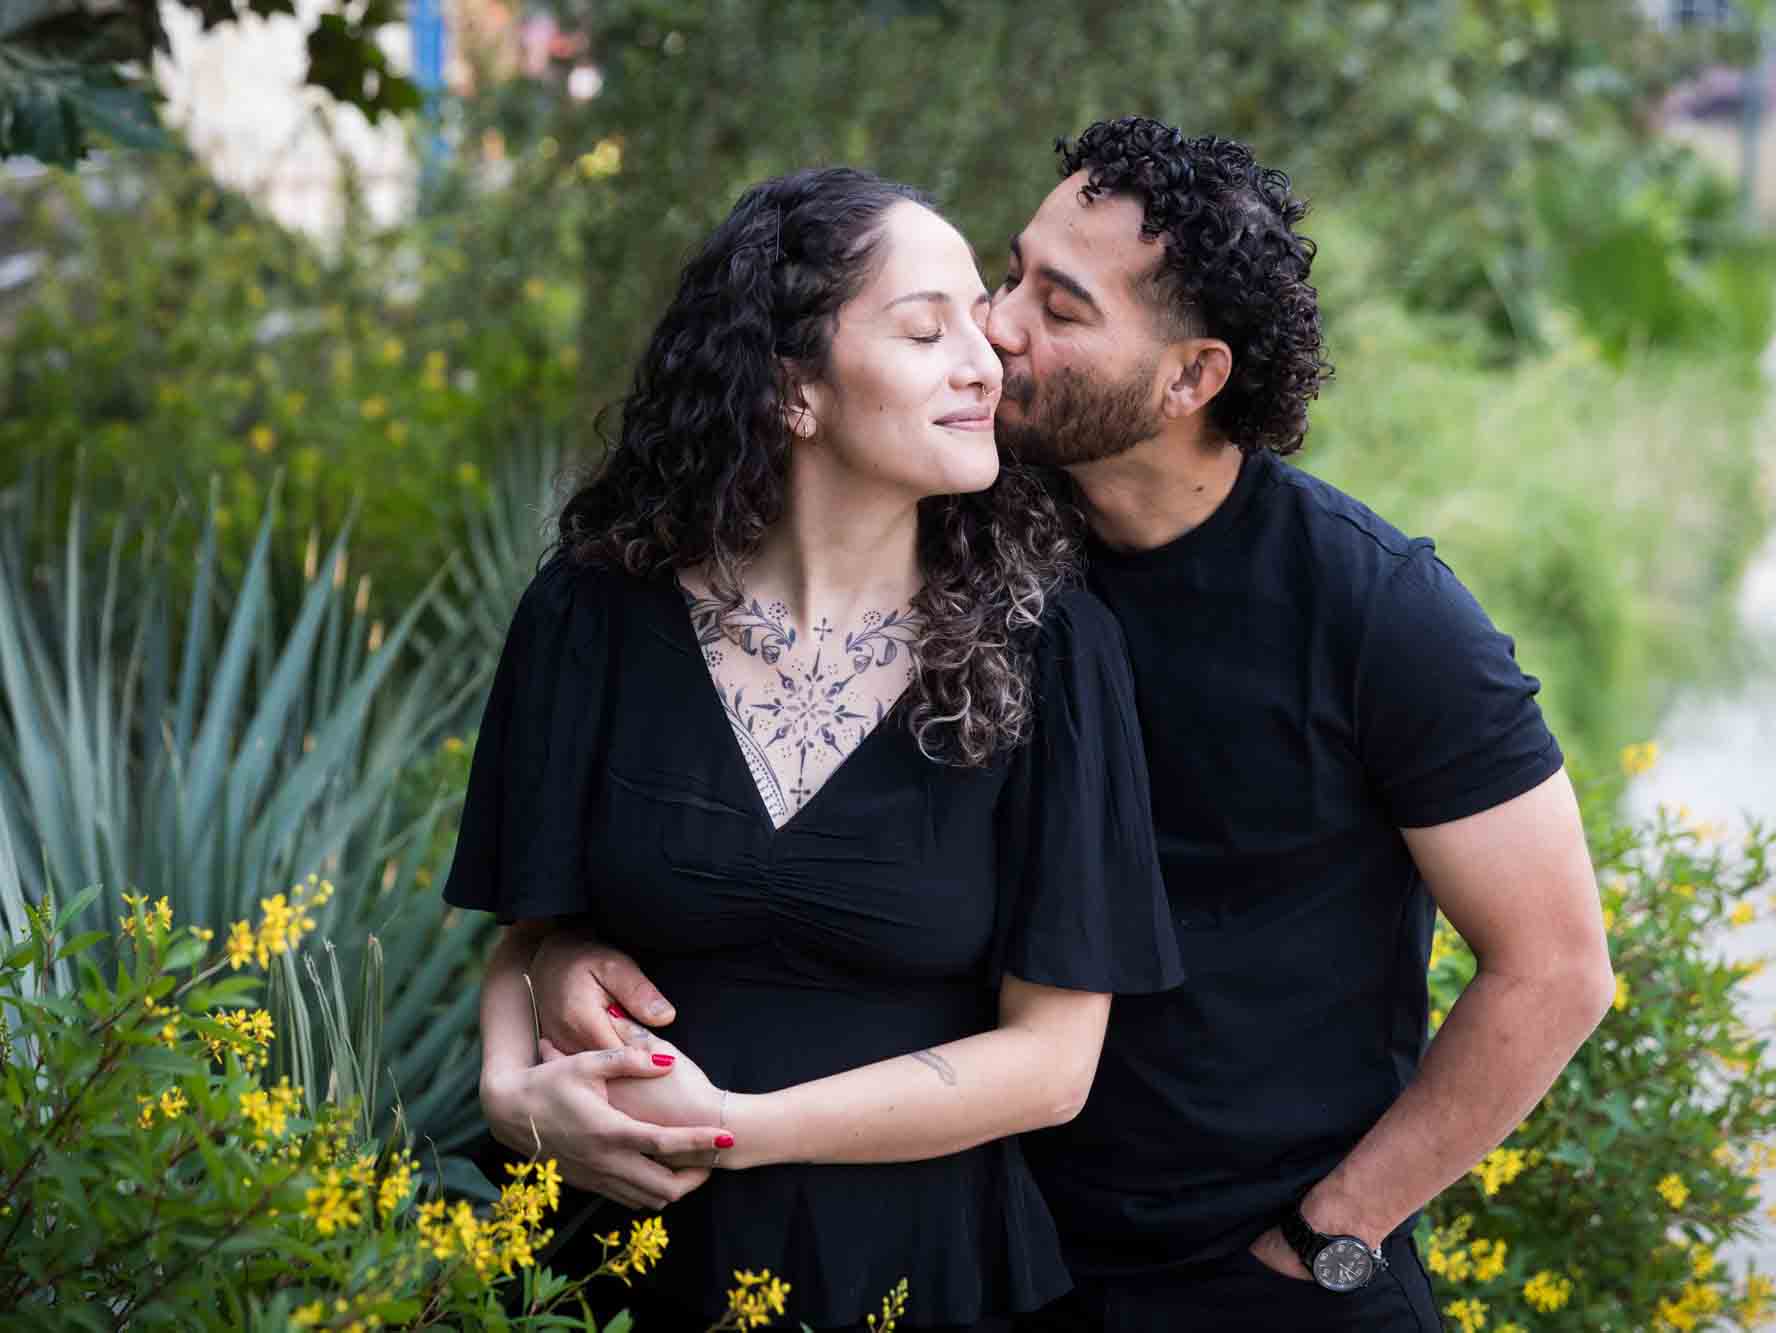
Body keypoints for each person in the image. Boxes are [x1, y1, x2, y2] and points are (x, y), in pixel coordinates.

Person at [531, 120, 1614, 1333]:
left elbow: (1556, 967)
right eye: (1009, 273)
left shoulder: (1373, 609)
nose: (995, 326)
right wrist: (561, 953)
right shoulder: (960, 524)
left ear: (1190, 377)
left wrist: (1335, 1231)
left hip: (1254, 1271)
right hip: (996, 1248)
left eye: (1058, 305)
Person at [442, 166, 1181, 1332]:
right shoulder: (592, 613)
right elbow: (531, 930)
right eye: (923, 329)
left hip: (907, 1270)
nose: (983, 361)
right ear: (793, 390)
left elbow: (1052, 1063)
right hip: (598, 1262)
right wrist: (511, 1094)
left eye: (975, 324)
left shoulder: (1051, 651)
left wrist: (731, 1128)